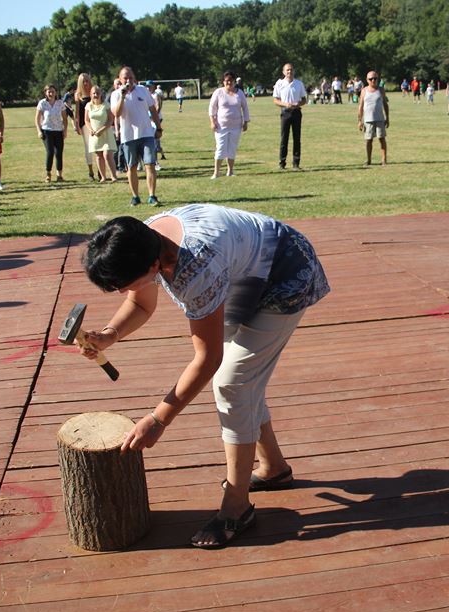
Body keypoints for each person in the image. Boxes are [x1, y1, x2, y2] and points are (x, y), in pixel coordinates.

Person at [80, 204, 330, 548]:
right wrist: (109, 334)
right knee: (242, 380)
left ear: (154, 265)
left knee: (233, 382)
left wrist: (158, 419)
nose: (124, 292)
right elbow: (141, 303)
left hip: (286, 273)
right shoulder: (144, 239)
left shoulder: (195, 267)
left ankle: (237, 507)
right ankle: (274, 469)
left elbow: (208, 359)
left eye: (124, 284)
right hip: (244, 273)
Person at [111, 66, 162, 206]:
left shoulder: (143, 90)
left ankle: (152, 195)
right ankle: (135, 196)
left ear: (134, 78)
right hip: (128, 137)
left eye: (130, 77)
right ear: (120, 79)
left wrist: (158, 127)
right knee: (131, 166)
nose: (128, 80)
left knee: (150, 164)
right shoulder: (116, 94)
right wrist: (122, 96)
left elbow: (153, 109)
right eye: (125, 78)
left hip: (146, 134)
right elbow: (116, 113)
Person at [208, 71, 251, 179]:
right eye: (226, 81)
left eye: (231, 81)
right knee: (221, 148)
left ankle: (230, 171)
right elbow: (212, 108)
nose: (229, 83)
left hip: (236, 126)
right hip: (221, 126)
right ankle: (216, 172)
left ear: (234, 82)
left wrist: (246, 121)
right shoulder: (218, 92)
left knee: (232, 149)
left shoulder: (239, 93)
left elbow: (245, 107)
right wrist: (212, 122)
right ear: (223, 82)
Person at [273, 63, 307, 170]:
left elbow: (304, 99)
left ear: (294, 71)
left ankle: (296, 163)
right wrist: (285, 104)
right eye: (287, 70)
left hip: (296, 112)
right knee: (284, 138)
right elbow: (275, 100)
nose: (289, 72)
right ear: (283, 72)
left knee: (297, 138)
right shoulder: (279, 84)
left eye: (291, 70)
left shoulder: (299, 83)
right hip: (285, 113)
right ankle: (282, 163)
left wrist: (298, 104)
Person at [85, 86, 119, 183]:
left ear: (101, 94)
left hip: (105, 132)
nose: (95, 95)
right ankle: (103, 177)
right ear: (90, 95)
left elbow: (110, 119)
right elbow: (86, 120)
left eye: (97, 93)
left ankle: (113, 176)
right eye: (93, 93)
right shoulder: (88, 106)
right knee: (99, 155)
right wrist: (91, 130)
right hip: (95, 135)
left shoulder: (106, 105)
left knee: (107, 154)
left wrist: (102, 129)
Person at [36, 84, 69, 183]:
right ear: (45, 93)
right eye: (49, 91)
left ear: (56, 93)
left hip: (58, 131)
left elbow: (64, 118)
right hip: (46, 131)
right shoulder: (42, 103)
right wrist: (39, 130)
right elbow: (37, 119)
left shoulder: (60, 103)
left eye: (53, 91)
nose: (51, 93)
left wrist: (65, 130)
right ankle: (48, 174)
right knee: (50, 152)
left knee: (59, 153)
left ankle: (59, 175)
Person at [358, 71, 389, 166]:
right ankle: (368, 160)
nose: (373, 81)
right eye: (371, 79)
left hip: (380, 118)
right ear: (367, 80)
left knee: (381, 139)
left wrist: (387, 118)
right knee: (368, 140)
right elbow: (360, 106)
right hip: (368, 120)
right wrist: (360, 121)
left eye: (375, 78)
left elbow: (385, 104)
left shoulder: (381, 90)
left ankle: (383, 160)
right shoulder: (364, 90)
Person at [72, 74, 96, 182]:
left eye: (87, 81)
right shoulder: (78, 95)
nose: (85, 83)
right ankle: (91, 171)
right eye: (83, 81)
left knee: (97, 147)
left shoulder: (94, 92)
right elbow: (77, 112)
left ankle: (101, 170)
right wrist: (77, 125)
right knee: (88, 148)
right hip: (84, 123)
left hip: (95, 122)